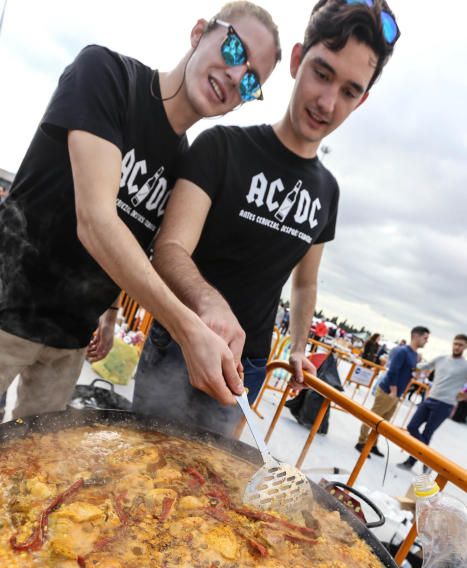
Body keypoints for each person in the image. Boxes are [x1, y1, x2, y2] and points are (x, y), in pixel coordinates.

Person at [0, 2, 281, 420]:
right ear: (200, 31)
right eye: (235, 51)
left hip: (70, 338)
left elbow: (134, 242)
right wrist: (188, 328)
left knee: (31, 470)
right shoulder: (107, 75)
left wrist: (111, 314)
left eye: (252, 82)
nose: (236, 76)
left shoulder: (186, 166)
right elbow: (96, 222)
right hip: (8, 304)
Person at [133, 0, 401, 436]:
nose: (328, 102)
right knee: (142, 472)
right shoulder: (221, 147)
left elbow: (305, 282)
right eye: (322, 72)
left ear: (363, 99)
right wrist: (208, 302)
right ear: (297, 60)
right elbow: (169, 248)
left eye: (350, 91)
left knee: (212, 490)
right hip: (180, 341)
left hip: (249, 364)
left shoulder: (328, 192)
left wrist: (298, 347)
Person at [355, 326, 430, 457]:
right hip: (388, 391)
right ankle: (361, 442)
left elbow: (407, 372)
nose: (426, 341)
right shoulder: (402, 351)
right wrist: (394, 391)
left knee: (383, 423)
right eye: (425, 338)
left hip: (396, 394)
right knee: (373, 418)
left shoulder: (414, 354)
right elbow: (393, 371)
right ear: (416, 336)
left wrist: (417, 375)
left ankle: (372, 443)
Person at [398, 334, 467, 471]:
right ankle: (429, 460)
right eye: (456, 343)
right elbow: (421, 367)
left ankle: (410, 463)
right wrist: (406, 364)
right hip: (430, 398)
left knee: (426, 434)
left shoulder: (465, 366)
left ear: (465, 347)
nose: (457, 347)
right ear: (452, 344)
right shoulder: (441, 359)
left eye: (461, 345)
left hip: (445, 404)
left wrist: (464, 395)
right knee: (412, 426)